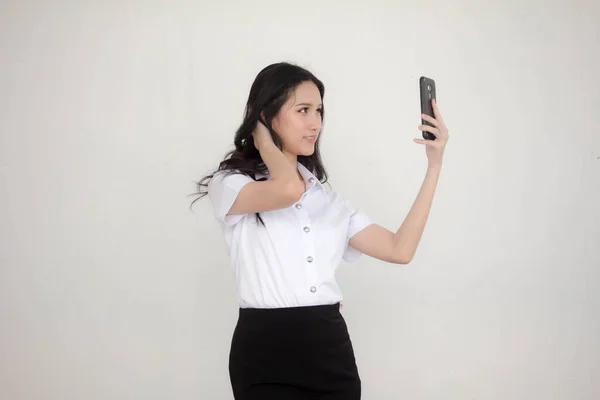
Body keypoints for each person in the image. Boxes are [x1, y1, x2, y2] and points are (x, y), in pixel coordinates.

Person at [192, 62, 449, 399]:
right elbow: (286, 191)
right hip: (264, 351)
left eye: (319, 111)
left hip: (329, 348)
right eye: (303, 110)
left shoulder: (328, 201)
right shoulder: (231, 184)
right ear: (265, 115)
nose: (315, 124)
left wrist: (434, 165)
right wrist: (264, 139)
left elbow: (400, 250)